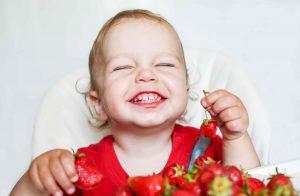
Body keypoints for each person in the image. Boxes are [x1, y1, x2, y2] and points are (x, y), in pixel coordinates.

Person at [11, 9, 260, 196]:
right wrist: (36, 181)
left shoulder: (205, 150)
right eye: (123, 67)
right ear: (99, 105)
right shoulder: (82, 168)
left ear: (186, 91)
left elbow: (251, 186)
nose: (146, 74)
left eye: (163, 64)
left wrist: (235, 138)